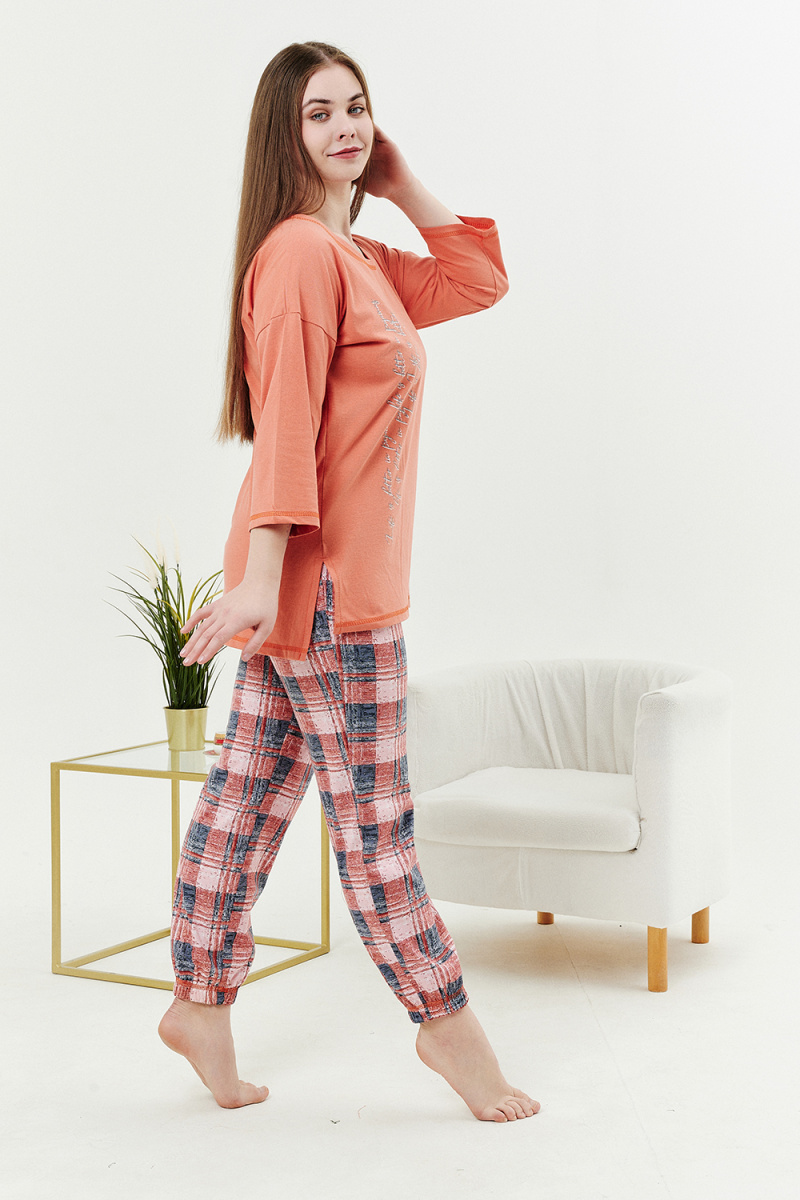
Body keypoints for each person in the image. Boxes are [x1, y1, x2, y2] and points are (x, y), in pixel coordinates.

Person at [158, 40, 539, 1124]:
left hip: (311, 585)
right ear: (282, 134)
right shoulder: (298, 256)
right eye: (319, 112)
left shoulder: (357, 255)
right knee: (375, 825)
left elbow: (478, 281)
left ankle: (197, 1002)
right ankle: (445, 1025)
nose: (344, 127)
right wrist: (262, 582)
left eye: (357, 108)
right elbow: (284, 427)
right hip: (323, 590)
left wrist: (401, 182)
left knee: (245, 799)